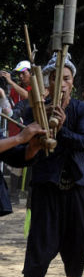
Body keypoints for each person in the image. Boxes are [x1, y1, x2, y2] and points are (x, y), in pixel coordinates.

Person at [22, 56, 84, 277]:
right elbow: (27, 147)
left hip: (77, 185)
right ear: (48, 82)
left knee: (78, 238)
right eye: (55, 78)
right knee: (42, 240)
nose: (60, 84)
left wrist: (62, 128)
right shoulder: (34, 110)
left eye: (65, 79)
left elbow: (83, 142)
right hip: (46, 185)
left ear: (72, 83)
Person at [1, 60, 32, 203]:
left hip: (32, 129)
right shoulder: (14, 89)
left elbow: (29, 97)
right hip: (15, 129)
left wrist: (10, 81)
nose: (20, 77)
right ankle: (13, 195)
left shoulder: (37, 87)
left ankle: (29, 193)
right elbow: (11, 109)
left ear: (31, 73)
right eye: (18, 74)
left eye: (23, 73)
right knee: (14, 164)